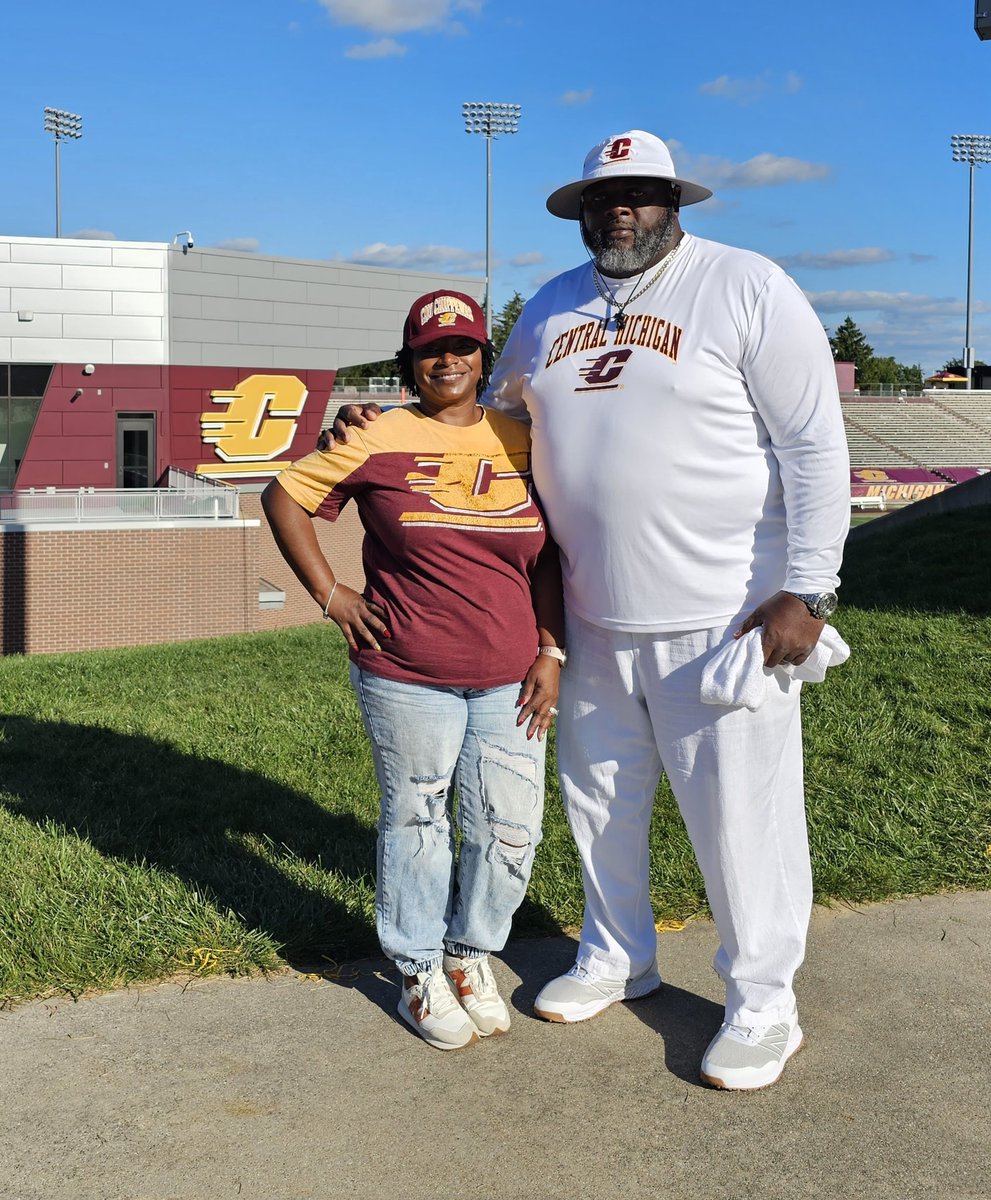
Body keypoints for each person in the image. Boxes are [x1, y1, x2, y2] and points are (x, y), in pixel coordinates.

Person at [331, 130, 850, 1090]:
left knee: (741, 821)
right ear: (581, 209)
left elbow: (813, 443)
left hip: (724, 612)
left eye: (641, 194)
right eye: (604, 198)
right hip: (590, 613)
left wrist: (810, 586)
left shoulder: (744, 284)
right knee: (600, 803)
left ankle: (762, 1003)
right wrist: (383, 424)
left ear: (673, 201)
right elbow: (482, 423)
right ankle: (618, 955)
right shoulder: (554, 306)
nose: (621, 211)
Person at [263, 289, 564, 1052]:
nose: (447, 360)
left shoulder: (523, 437)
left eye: (461, 347)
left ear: (482, 358)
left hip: (510, 674)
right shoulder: (377, 435)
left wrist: (551, 651)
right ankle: (417, 969)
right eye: (430, 350)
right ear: (409, 363)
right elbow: (283, 496)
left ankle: (469, 955)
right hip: (406, 672)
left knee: (509, 829)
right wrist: (332, 595)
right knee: (418, 818)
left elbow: (551, 559)